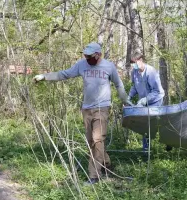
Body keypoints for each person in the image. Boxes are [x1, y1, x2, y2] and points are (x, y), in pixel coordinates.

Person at [33, 42, 132, 185]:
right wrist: (44, 76)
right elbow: (64, 74)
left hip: (102, 108)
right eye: (85, 55)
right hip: (86, 109)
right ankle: (106, 164)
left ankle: (94, 176)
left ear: (98, 54)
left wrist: (126, 100)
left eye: (90, 56)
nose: (87, 58)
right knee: (91, 141)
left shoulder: (109, 66)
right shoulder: (82, 65)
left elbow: (118, 84)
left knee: (98, 140)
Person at [128, 54, 165, 150]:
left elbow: (156, 91)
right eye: (132, 63)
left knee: (155, 122)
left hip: (155, 100)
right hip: (143, 101)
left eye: (135, 63)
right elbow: (134, 86)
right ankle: (146, 149)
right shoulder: (134, 72)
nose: (134, 65)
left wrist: (145, 100)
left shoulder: (151, 72)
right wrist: (129, 96)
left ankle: (166, 142)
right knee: (145, 124)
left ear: (141, 60)